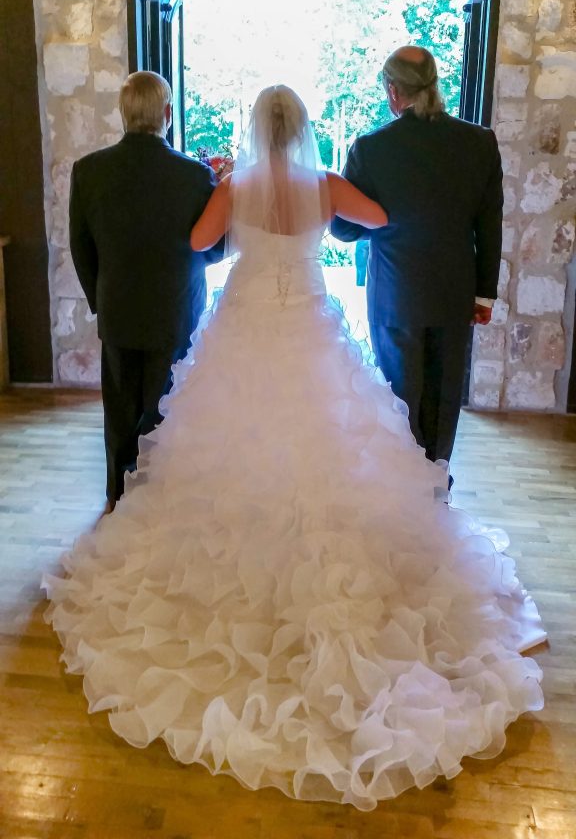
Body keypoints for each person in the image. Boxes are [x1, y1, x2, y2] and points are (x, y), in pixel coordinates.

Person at [45, 85, 543, 812]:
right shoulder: (326, 184)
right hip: (309, 329)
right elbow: (379, 217)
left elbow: (196, 245)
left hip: (244, 332)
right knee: (329, 448)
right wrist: (331, 204)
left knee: (229, 448)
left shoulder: (235, 184)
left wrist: (225, 192)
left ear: (253, 129)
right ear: (304, 129)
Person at [332, 46, 503, 483]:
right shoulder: (479, 142)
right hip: (454, 291)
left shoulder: (370, 149)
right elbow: (489, 225)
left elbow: (345, 230)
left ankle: (403, 487)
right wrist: (484, 294)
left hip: (396, 294)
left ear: (393, 91)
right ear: (435, 85)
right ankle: (435, 485)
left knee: (399, 392)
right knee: (445, 395)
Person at [69, 71, 223, 510]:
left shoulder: (89, 171)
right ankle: (158, 498)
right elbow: (210, 250)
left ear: (123, 113)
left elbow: (81, 246)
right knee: (164, 407)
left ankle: (117, 497)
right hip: (174, 310)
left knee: (119, 410)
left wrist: (100, 298)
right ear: (168, 115)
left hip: (117, 308)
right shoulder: (195, 177)